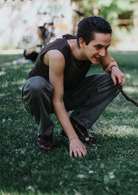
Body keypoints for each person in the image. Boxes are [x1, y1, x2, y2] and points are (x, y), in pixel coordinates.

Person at [21, 16, 125, 158]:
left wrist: (114, 68)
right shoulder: (57, 54)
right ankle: (45, 133)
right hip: (42, 98)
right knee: (35, 85)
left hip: (68, 93)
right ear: (81, 42)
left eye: (106, 47)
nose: (102, 53)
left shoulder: (94, 46)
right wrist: (73, 139)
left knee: (112, 80)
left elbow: (108, 63)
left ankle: (77, 123)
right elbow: (57, 101)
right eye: (98, 47)